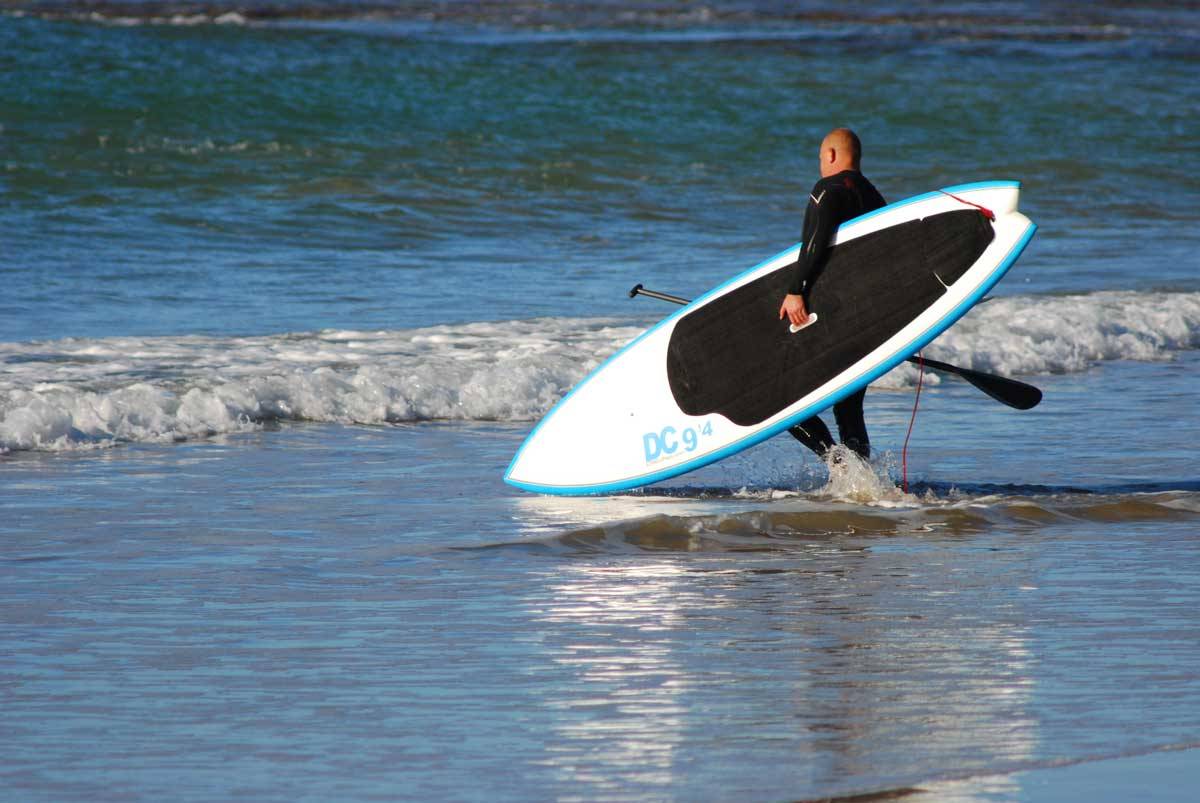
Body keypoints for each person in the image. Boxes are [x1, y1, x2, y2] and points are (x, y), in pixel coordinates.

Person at [778, 128, 886, 462]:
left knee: (785, 402)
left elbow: (816, 242)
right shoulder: (875, 197)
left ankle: (835, 463)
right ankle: (861, 478)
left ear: (831, 155)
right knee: (849, 406)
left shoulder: (828, 189)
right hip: (867, 318)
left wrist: (796, 290)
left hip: (833, 318)